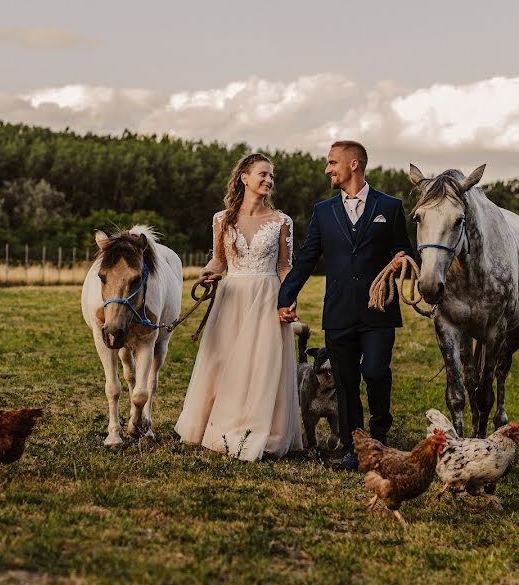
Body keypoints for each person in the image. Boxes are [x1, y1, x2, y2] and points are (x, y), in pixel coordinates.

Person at [278, 141, 411, 471]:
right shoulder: (324, 212)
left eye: (332, 162)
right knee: (347, 381)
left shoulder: (390, 207)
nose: (327, 169)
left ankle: (379, 436)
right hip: (338, 311)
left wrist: (401, 259)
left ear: (354, 164)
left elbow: (408, 251)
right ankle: (354, 446)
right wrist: (286, 297)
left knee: (376, 372)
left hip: (378, 310)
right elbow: (308, 257)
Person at [175, 153, 302, 461]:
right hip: (231, 297)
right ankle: (218, 425)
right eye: (263, 174)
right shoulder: (222, 219)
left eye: (271, 176)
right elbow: (219, 260)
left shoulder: (281, 221)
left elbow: (285, 266)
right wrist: (208, 273)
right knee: (224, 361)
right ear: (245, 178)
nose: (269, 180)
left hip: (267, 296)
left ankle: (259, 429)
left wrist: (289, 297)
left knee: (261, 364)